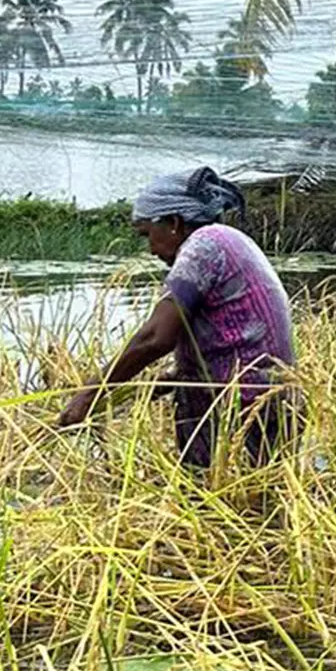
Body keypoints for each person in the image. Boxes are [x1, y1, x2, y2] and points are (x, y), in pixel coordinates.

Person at [58, 167, 297, 470]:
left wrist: (90, 394)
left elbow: (156, 337)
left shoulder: (203, 246)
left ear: (173, 223)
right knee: (253, 507)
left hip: (240, 412)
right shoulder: (231, 241)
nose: (150, 249)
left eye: (148, 234)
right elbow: (234, 338)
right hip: (270, 407)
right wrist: (165, 381)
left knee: (211, 505)